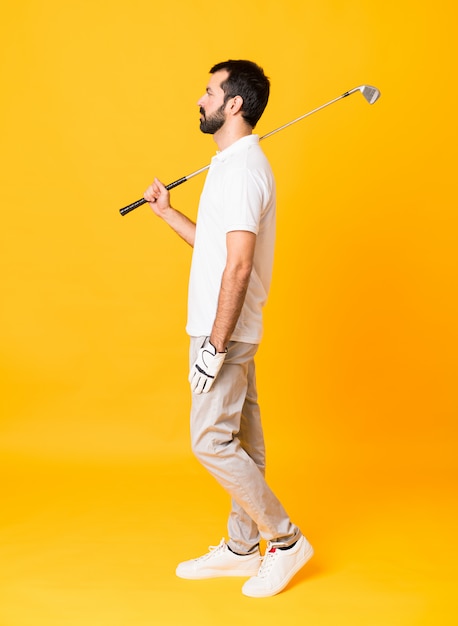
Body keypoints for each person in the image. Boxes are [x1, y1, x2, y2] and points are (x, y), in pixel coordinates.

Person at [143, 60, 313, 598]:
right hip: (230, 327)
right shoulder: (229, 166)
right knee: (244, 441)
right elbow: (220, 251)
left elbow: (239, 268)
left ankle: (283, 541)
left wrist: (213, 345)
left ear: (233, 104)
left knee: (211, 441)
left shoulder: (241, 171)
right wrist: (170, 215)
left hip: (225, 330)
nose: (201, 98)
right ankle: (243, 547)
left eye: (209, 91)